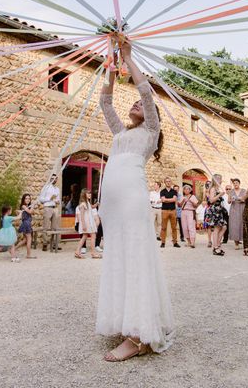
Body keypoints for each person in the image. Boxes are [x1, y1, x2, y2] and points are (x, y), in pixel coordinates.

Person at [96, 39, 173, 361]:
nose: (137, 105)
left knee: (136, 256)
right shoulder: (119, 134)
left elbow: (146, 93)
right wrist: (112, 69)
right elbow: (105, 103)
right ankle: (127, 320)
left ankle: (139, 335)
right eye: (136, 106)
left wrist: (127, 56)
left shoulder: (150, 133)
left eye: (142, 106)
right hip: (111, 204)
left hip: (131, 199)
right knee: (119, 258)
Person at [74, 189, 102, 259]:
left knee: (84, 237)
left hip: (89, 223)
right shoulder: (83, 204)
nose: (90, 195)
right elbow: (82, 216)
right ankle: (93, 253)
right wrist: (83, 225)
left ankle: (77, 251)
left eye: (90, 193)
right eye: (88, 193)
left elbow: (91, 207)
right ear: (84, 195)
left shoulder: (87, 203)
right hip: (87, 223)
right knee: (93, 236)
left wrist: (96, 204)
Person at [205, 174, 227, 256]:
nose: (221, 181)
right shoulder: (213, 188)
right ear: (216, 180)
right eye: (220, 179)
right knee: (217, 229)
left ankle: (217, 245)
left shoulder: (217, 188)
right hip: (214, 210)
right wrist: (219, 195)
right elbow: (211, 200)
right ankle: (215, 248)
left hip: (219, 210)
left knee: (224, 227)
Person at [38, 173, 60, 252]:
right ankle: (45, 243)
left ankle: (53, 244)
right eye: (52, 178)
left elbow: (58, 200)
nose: (54, 179)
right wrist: (49, 198)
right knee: (46, 226)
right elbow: (41, 199)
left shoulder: (57, 189)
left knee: (55, 227)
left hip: (55, 208)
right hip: (47, 207)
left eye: (55, 178)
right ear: (50, 179)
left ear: (57, 179)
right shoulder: (46, 187)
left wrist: (57, 201)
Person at [14, 194, 35, 259]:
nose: (28, 200)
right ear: (23, 199)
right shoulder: (23, 206)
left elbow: (32, 212)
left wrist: (31, 207)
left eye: (29, 198)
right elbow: (30, 212)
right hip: (26, 224)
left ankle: (13, 249)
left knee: (25, 240)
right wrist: (33, 206)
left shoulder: (27, 206)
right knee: (29, 239)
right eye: (26, 198)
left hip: (27, 223)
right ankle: (28, 255)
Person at [160, 177, 179, 248]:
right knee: (163, 228)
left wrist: (166, 199)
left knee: (174, 228)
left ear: (171, 182)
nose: (168, 182)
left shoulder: (174, 191)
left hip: (173, 211)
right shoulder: (162, 191)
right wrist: (170, 200)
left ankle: (175, 242)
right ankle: (163, 242)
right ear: (165, 183)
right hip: (164, 211)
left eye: (169, 181)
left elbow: (174, 199)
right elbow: (163, 200)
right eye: (166, 181)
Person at [228, 178, 246, 249]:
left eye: (237, 183)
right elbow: (228, 201)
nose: (235, 184)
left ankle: (244, 241)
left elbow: (246, 199)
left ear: (239, 183)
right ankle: (236, 243)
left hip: (242, 208)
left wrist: (241, 199)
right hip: (234, 209)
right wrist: (231, 200)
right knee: (234, 225)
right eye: (234, 183)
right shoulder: (231, 191)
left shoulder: (244, 191)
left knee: (242, 224)